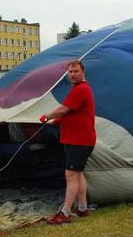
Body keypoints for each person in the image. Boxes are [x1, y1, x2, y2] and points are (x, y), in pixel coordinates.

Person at [40, 59, 96, 224]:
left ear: (82, 72)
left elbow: (64, 109)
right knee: (77, 174)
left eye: (75, 71)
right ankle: (83, 208)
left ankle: (65, 213)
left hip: (81, 139)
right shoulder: (77, 90)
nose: (72, 74)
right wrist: (57, 122)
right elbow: (71, 111)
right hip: (75, 138)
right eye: (70, 72)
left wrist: (47, 116)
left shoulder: (81, 89)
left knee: (70, 175)